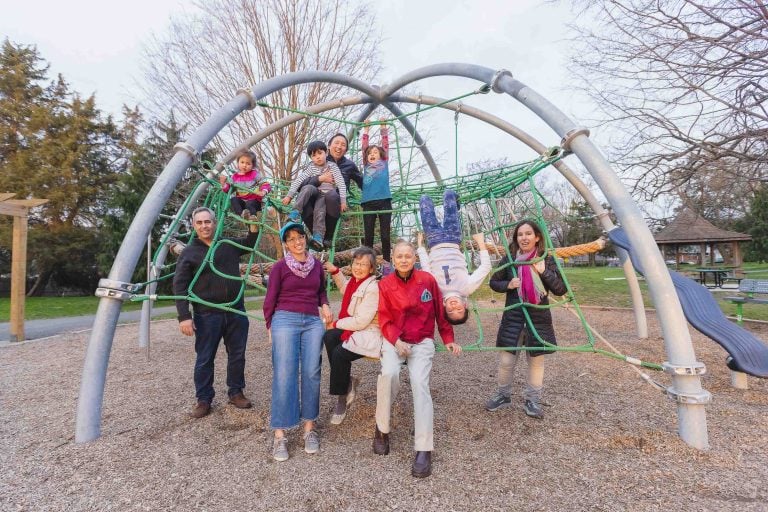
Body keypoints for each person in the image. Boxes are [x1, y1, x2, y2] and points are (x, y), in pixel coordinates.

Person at [375, 240, 462, 478]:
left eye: (408, 256)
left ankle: (424, 448)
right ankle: (382, 428)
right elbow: (384, 318)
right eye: (399, 256)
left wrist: (448, 338)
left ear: (415, 258)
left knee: (419, 384)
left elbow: (439, 313)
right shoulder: (385, 284)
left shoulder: (427, 281)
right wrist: (396, 341)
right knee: (389, 374)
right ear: (393, 260)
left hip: (421, 340)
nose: (404, 260)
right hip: (396, 341)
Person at [173, 206, 258, 418]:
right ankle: (204, 399)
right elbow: (180, 285)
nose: (204, 226)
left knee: (237, 355)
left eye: (208, 221)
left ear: (215, 222)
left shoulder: (226, 244)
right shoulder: (189, 253)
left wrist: (253, 224)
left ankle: (236, 391)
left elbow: (250, 243)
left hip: (235, 310)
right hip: (207, 314)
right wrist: (184, 316)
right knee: (205, 357)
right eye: (200, 223)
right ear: (194, 226)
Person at [263, 221, 333, 462]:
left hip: (312, 321)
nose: (297, 241)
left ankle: (309, 429)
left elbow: (320, 291)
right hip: (285, 318)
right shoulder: (280, 267)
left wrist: (324, 304)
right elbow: (270, 298)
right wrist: (270, 325)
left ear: (305, 238)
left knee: (312, 371)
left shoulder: (316, 267)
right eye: (291, 239)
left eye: (300, 236)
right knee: (285, 373)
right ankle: (280, 434)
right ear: (286, 244)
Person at [484, 219, 567, 419]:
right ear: (516, 238)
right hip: (513, 317)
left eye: (528, 233)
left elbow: (560, 288)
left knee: (536, 362)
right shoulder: (510, 259)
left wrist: (543, 271)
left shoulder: (545, 259)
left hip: (538, 319)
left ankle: (533, 400)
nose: (524, 238)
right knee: (506, 361)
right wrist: (508, 285)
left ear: (537, 237)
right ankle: (503, 395)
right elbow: (494, 282)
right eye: (520, 234)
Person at [322, 246, 380, 424]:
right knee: (329, 337)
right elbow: (345, 289)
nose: (358, 267)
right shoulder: (356, 283)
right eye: (356, 263)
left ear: (371, 269)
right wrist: (335, 272)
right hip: (357, 329)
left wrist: (336, 323)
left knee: (339, 353)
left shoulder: (372, 287)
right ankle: (347, 383)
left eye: (363, 264)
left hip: (369, 332)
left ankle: (341, 397)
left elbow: (361, 321)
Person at [417, 189, 492, 325]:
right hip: (453, 238)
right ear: (465, 306)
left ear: (444, 308)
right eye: (459, 309)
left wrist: (420, 247)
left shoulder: (436, 291)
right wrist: (481, 243)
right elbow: (486, 267)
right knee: (449, 194)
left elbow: (426, 269)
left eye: (451, 311)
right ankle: (456, 205)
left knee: (424, 199)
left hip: (433, 241)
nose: (454, 307)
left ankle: (449, 204)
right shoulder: (467, 288)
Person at [281, 140, 348, 250]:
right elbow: (299, 180)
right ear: (311, 158)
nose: (317, 157)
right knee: (307, 187)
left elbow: (341, 183)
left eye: (320, 153)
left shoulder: (332, 167)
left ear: (326, 153)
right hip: (315, 193)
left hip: (325, 196)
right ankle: (295, 213)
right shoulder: (311, 168)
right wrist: (289, 195)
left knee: (319, 213)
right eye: (314, 155)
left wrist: (343, 201)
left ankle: (317, 237)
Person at [361, 119, 393, 267]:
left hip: (384, 200)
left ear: (381, 155)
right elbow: (364, 147)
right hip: (368, 202)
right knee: (368, 236)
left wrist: (383, 128)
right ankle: (368, 263)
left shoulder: (384, 162)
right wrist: (366, 130)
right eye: (370, 153)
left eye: (376, 152)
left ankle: (387, 262)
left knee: (385, 235)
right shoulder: (366, 165)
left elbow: (385, 145)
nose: (372, 154)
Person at [219, 150, 271, 220]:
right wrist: (223, 184)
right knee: (234, 199)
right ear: (238, 163)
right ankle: (242, 214)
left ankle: (253, 216)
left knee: (250, 203)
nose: (244, 165)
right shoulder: (234, 177)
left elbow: (264, 183)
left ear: (252, 165)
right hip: (242, 202)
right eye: (242, 162)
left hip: (254, 201)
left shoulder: (254, 174)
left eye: (248, 163)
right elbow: (229, 190)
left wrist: (263, 191)